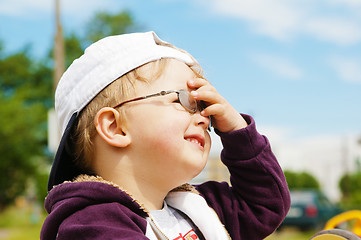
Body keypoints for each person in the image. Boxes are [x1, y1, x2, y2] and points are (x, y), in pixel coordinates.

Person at [40, 31, 290, 240]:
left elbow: (265, 204)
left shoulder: (198, 207)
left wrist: (236, 129)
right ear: (115, 128)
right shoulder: (90, 222)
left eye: (203, 106)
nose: (204, 118)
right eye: (184, 100)